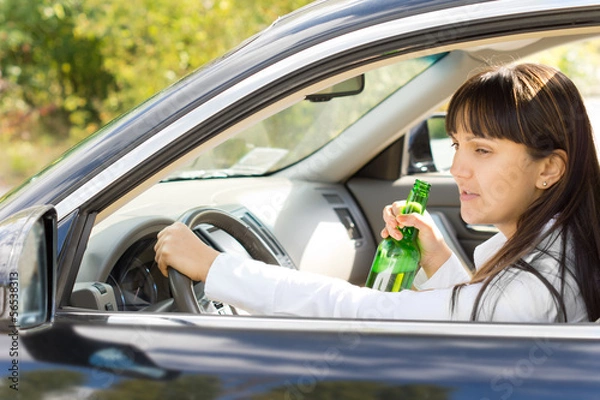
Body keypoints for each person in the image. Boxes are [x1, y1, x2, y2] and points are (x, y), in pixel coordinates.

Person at [155, 63, 600, 322]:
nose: (457, 166)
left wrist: (216, 267)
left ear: (550, 169)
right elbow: (466, 316)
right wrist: (438, 257)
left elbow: (368, 312)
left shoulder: (534, 287)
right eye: (458, 143)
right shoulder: (557, 250)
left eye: (482, 149)